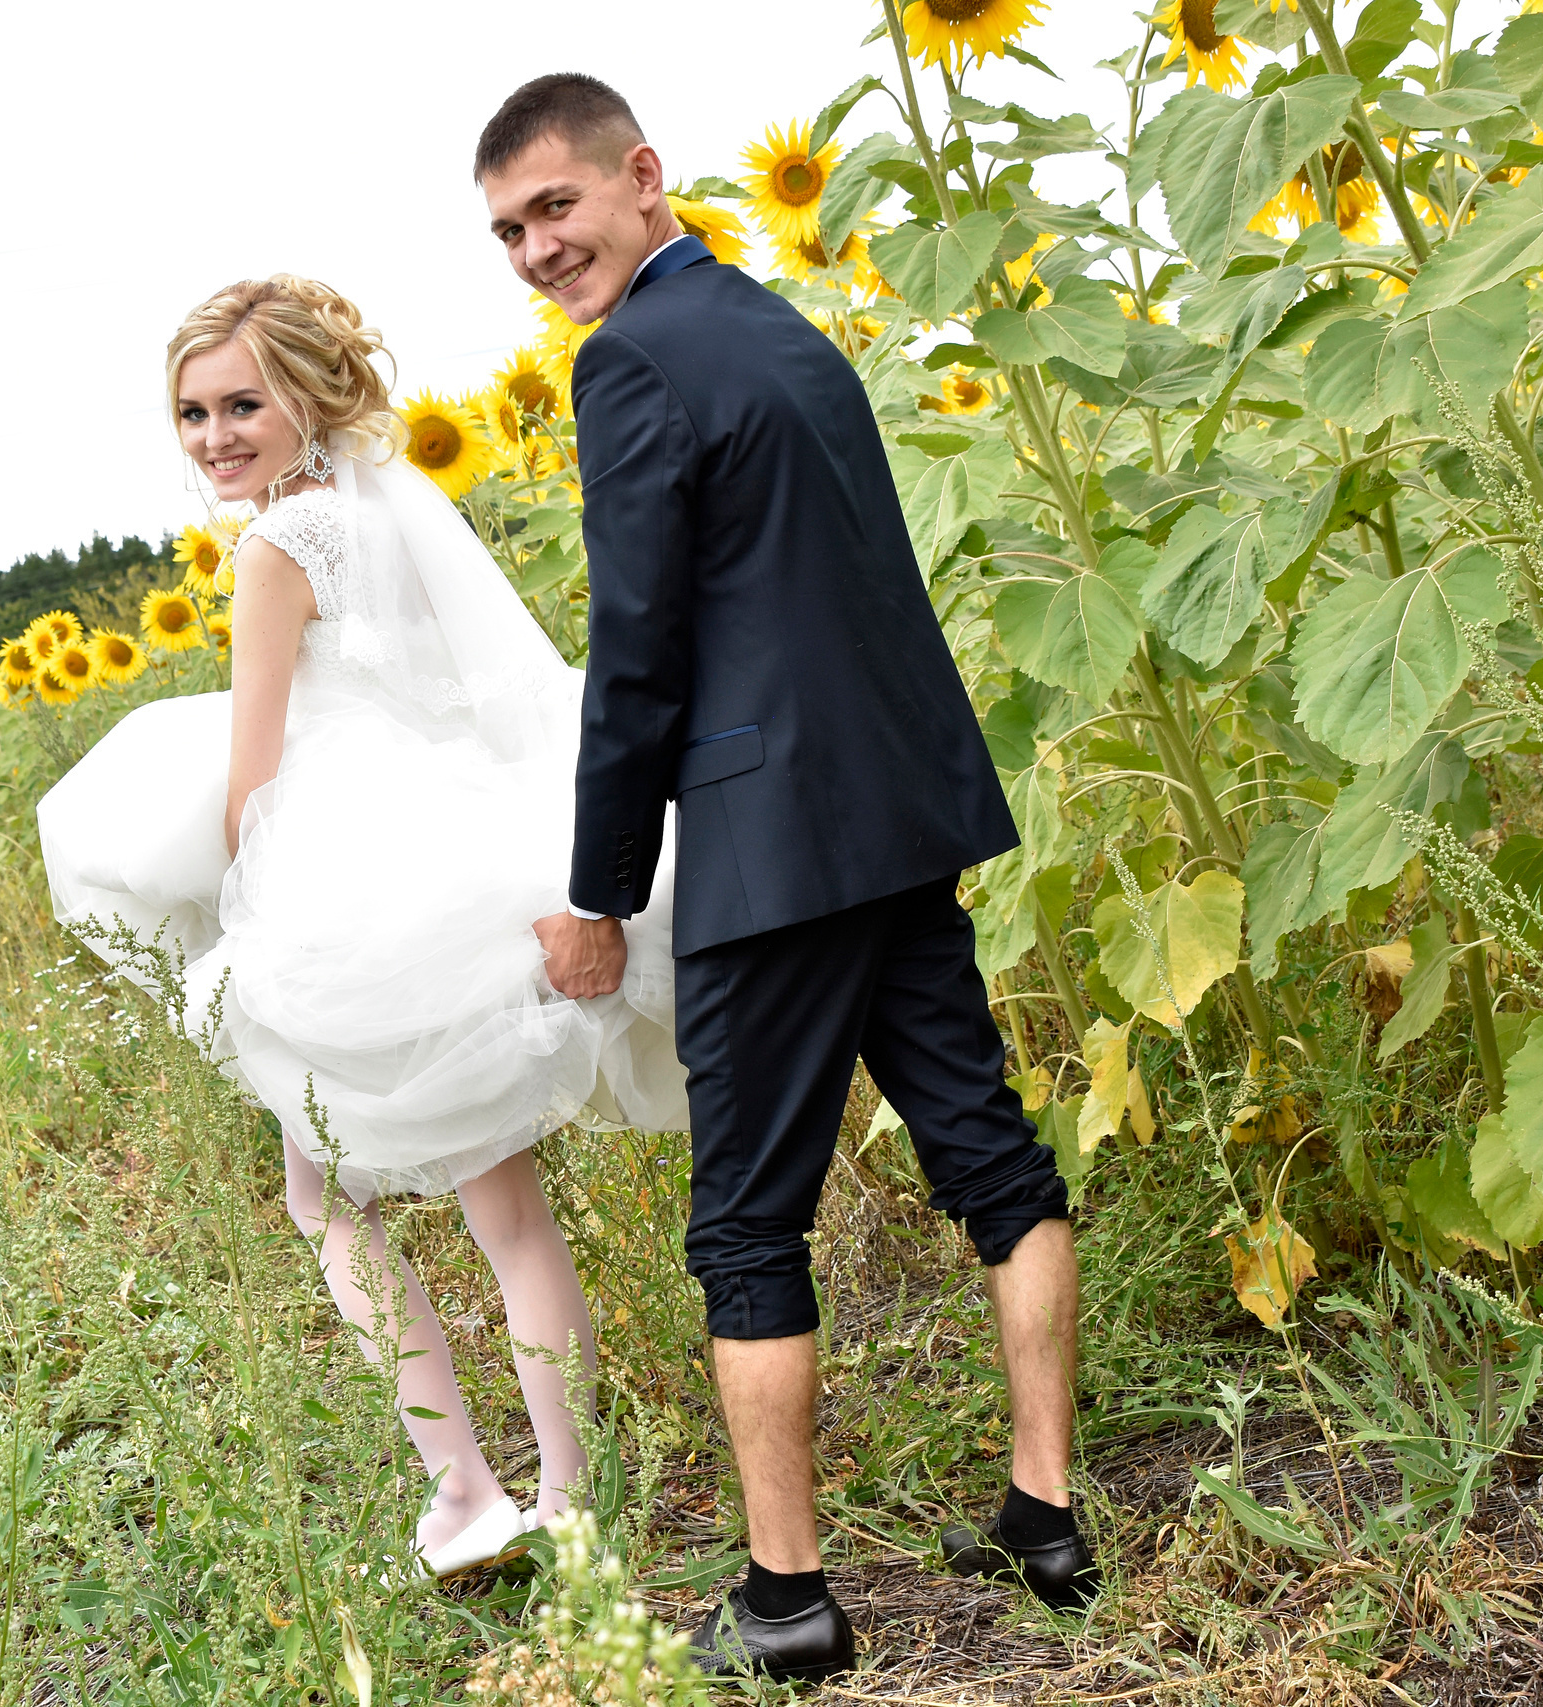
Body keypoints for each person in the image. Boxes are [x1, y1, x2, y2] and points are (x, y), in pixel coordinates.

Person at [476, 75, 1095, 1682]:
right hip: (896, 815)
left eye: (555, 209)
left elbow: (638, 662)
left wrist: (601, 895)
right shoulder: (781, 327)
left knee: (747, 1229)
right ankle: (1046, 1513)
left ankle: (785, 1602)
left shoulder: (630, 367)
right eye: (508, 233)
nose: (538, 252)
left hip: (773, 852)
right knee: (994, 1162)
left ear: (641, 178)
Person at [35, 277, 690, 1578]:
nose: (217, 435)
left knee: (325, 1199)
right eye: (192, 413)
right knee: (509, 1212)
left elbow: (255, 771)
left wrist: (241, 914)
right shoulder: (387, 518)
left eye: (242, 404)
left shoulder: (276, 548)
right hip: (460, 866)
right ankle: (567, 1499)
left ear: (307, 398)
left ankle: (462, 1492)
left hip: (348, 883)